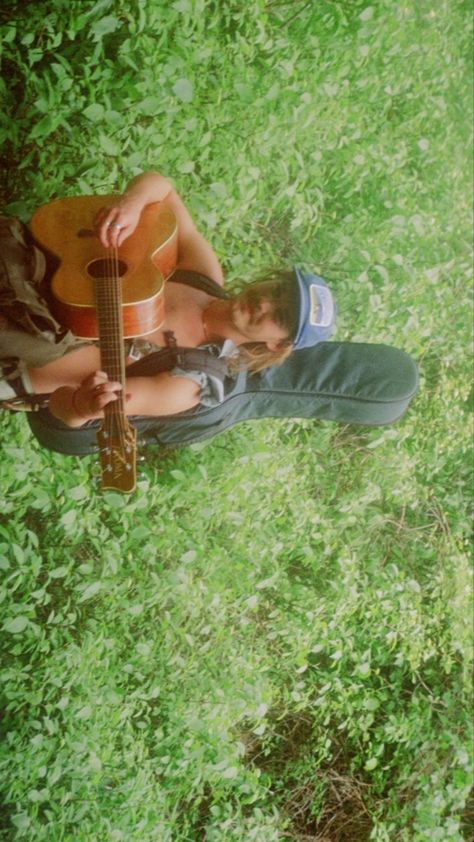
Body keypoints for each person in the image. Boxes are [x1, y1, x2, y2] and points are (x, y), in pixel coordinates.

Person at [0, 171, 335, 427]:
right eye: (277, 291)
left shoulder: (187, 381)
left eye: (282, 316)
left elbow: (64, 407)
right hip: (24, 272)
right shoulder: (204, 275)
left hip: (13, 361)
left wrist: (83, 407)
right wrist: (132, 203)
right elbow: (161, 187)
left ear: (277, 345)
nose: (265, 303)